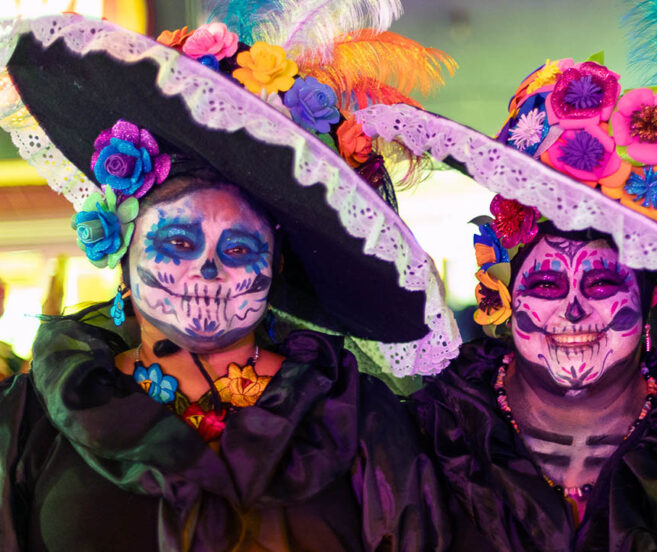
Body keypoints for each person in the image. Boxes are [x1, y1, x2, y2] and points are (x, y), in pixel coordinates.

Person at [0, 5, 459, 550]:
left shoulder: (356, 421)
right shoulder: (35, 418)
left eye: (238, 247)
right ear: (121, 246)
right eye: (178, 242)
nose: (209, 269)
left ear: (277, 266)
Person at [355, 5, 657, 549]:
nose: (572, 310)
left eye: (602, 285)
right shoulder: (436, 431)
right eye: (546, 285)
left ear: (649, 302)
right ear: (506, 294)